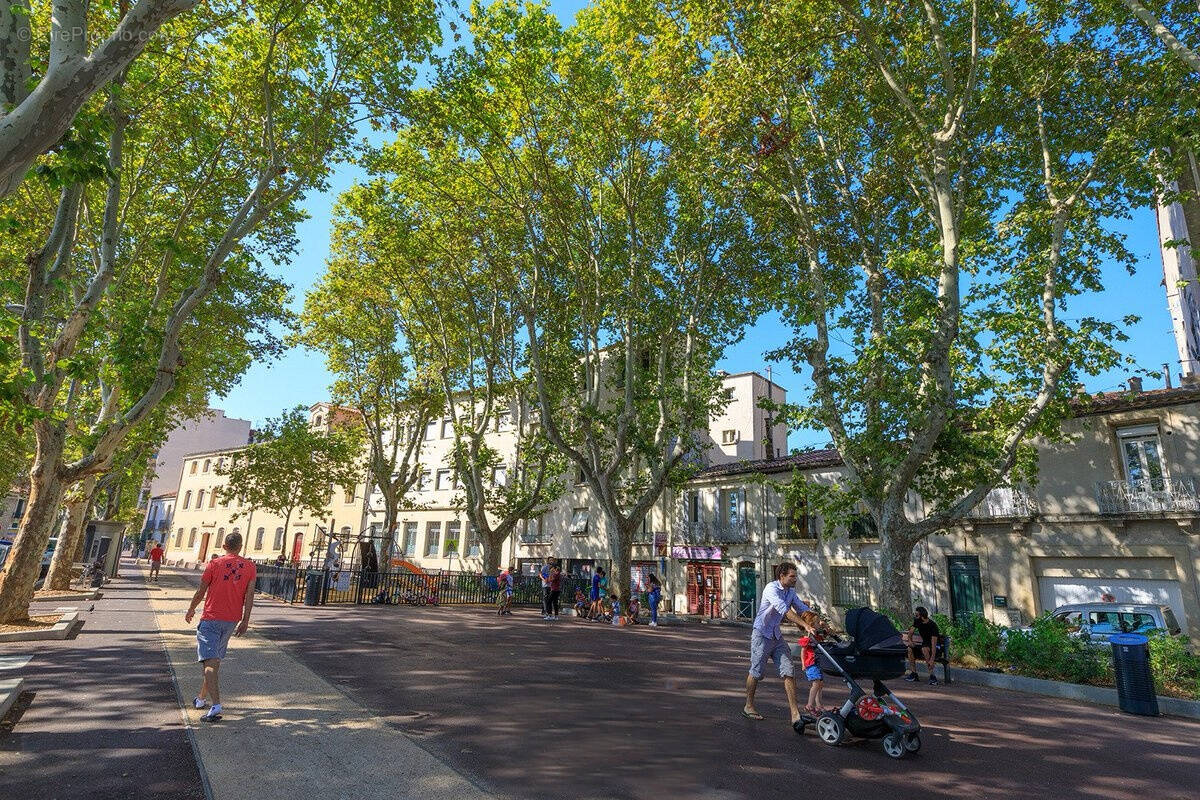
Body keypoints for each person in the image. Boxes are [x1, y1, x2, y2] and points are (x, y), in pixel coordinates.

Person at [184, 532, 257, 722]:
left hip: (211, 617)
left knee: (210, 661)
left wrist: (191, 608)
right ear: (241, 546)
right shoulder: (249, 567)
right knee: (214, 661)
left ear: (224, 546)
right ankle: (201, 699)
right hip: (231, 619)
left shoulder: (215, 564)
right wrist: (245, 620)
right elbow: (249, 596)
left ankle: (216, 705)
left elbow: (201, 590)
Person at [744, 562, 812, 729]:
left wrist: (817, 620)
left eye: (795, 576)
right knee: (756, 671)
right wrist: (804, 625)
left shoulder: (791, 592)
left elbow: (801, 608)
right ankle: (748, 705)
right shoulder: (771, 589)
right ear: (782, 576)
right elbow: (785, 611)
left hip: (776, 635)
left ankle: (795, 714)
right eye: (792, 576)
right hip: (761, 634)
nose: (795, 579)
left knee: (789, 671)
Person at [903, 606, 941, 685]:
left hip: (935, 647)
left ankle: (932, 677)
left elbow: (934, 644)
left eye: (917, 615)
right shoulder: (917, 622)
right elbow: (910, 633)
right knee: (910, 649)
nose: (915, 617)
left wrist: (932, 659)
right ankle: (914, 674)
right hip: (924, 645)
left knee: (925, 649)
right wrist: (910, 641)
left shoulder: (932, 625)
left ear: (922, 616)